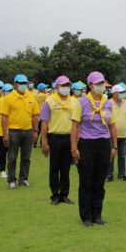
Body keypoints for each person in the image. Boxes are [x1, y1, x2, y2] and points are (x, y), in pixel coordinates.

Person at [71, 71, 117, 226]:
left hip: (104, 143)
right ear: (90, 85)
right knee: (86, 181)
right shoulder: (82, 102)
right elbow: (75, 125)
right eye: (98, 83)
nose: (101, 86)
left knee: (99, 181)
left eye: (102, 83)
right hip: (87, 143)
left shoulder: (108, 103)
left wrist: (114, 147)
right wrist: (74, 148)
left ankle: (97, 215)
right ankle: (86, 216)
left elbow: (112, 125)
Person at [39, 76, 77, 205]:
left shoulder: (74, 102)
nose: (66, 87)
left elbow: (77, 123)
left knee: (66, 168)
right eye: (63, 85)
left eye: (68, 85)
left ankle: (64, 195)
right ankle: (55, 195)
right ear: (57, 87)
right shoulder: (49, 101)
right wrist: (44, 141)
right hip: (54, 137)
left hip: (69, 137)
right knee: (54, 167)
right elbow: (44, 122)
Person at [0, 74, 40, 189]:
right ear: (15, 84)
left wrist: (35, 131)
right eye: (20, 83)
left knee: (26, 157)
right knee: (12, 157)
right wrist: (5, 134)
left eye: (24, 83)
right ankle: (12, 180)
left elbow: (35, 115)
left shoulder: (31, 97)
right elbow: (4, 117)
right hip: (14, 131)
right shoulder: (8, 98)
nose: (23, 85)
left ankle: (23, 179)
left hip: (28, 131)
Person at [106, 83, 126, 181]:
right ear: (114, 93)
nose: (123, 94)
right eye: (120, 92)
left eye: (123, 92)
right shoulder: (108, 103)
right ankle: (109, 174)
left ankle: (122, 174)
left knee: (122, 156)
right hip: (110, 135)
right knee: (110, 155)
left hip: (124, 134)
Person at [0, 84, 12, 178]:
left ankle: (11, 170)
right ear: (3, 92)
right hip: (1, 131)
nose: (9, 92)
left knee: (12, 153)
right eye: (7, 91)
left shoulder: (14, 102)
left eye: (11, 90)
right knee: (3, 152)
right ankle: (2, 170)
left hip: (13, 131)